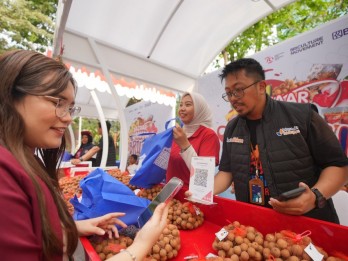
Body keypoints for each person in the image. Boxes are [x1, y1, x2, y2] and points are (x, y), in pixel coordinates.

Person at [0, 50, 169, 261]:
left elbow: (32, 230)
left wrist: (74, 228)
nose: (69, 118)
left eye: (70, 107)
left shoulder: (23, 159)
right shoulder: (5, 174)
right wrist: (140, 246)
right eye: (57, 102)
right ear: (10, 96)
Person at [208, 57, 348, 223]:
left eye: (238, 90)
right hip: (254, 226)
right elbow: (227, 171)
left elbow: (339, 166)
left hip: (308, 224)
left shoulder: (303, 116)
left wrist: (314, 197)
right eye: (229, 93)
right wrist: (204, 190)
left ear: (261, 87)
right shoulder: (232, 128)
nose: (233, 98)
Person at [166, 92, 220, 187]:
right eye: (181, 105)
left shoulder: (208, 135)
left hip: (190, 197)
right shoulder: (178, 133)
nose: (182, 109)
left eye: (188, 105)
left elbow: (203, 175)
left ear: (199, 109)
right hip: (170, 194)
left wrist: (185, 145)